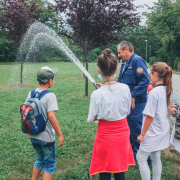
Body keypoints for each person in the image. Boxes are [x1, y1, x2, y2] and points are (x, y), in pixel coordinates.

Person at [88, 48, 135, 180]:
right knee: (120, 171)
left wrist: (102, 92)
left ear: (99, 70)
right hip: (122, 133)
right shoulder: (125, 88)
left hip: (105, 135)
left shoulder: (96, 94)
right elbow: (126, 110)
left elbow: (94, 117)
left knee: (105, 169)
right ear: (116, 70)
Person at [26, 66, 65, 180]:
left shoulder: (31, 93)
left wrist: (29, 130)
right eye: (53, 78)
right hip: (46, 137)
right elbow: (51, 117)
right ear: (49, 81)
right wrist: (60, 134)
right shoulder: (50, 96)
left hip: (34, 135)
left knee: (39, 159)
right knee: (49, 164)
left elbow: (28, 113)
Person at [117, 41, 151, 165]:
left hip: (137, 102)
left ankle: (146, 160)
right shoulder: (126, 63)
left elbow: (145, 81)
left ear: (126, 49)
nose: (119, 55)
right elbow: (120, 81)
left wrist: (133, 95)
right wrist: (107, 86)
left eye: (120, 52)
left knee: (136, 130)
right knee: (129, 130)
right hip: (128, 102)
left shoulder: (137, 60)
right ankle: (132, 157)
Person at [136, 62, 172, 180]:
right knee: (156, 156)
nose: (150, 77)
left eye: (151, 73)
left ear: (155, 74)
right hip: (162, 129)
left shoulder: (154, 93)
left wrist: (142, 134)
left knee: (141, 157)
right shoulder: (166, 88)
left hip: (153, 131)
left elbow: (149, 116)